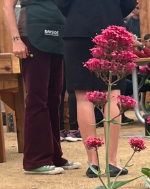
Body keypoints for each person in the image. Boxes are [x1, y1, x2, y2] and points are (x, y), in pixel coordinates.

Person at [57, 0, 136, 178]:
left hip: (77, 29)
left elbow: (61, 3)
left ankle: (93, 162)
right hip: (111, 28)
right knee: (113, 93)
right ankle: (112, 161)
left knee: (83, 96)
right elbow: (129, 3)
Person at [2, 0, 79, 174]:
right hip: (32, 34)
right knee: (37, 97)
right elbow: (7, 7)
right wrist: (16, 40)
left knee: (54, 99)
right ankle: (35, 160)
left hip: (58, 35)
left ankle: (54, 156)